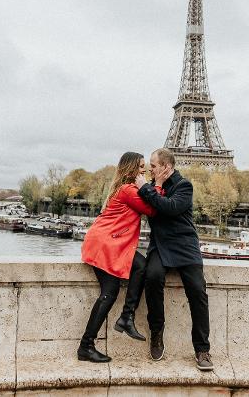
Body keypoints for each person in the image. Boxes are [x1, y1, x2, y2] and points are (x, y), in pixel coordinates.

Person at [134, 148, 213, 371]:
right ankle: (156, 332)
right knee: (152, 277)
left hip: (185, 245)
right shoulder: (152, 187)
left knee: (198, 291)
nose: (150, 169)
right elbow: (149, 209)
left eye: (154, 165)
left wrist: (147, 188)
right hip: (160, 245)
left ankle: (202, 349)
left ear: (166, 167)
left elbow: (168, 208)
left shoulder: (184, 186)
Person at [78, 152, 156, 363]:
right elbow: (152, 208)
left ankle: (125, 318)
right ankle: (88, 344)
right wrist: (155, 184)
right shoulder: (129, 190)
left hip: (107, 243)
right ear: (131, 168)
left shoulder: (122, 188)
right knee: (109, 293)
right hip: (106, 245)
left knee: (137, 268)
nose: (145, 170)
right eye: (141, 166)